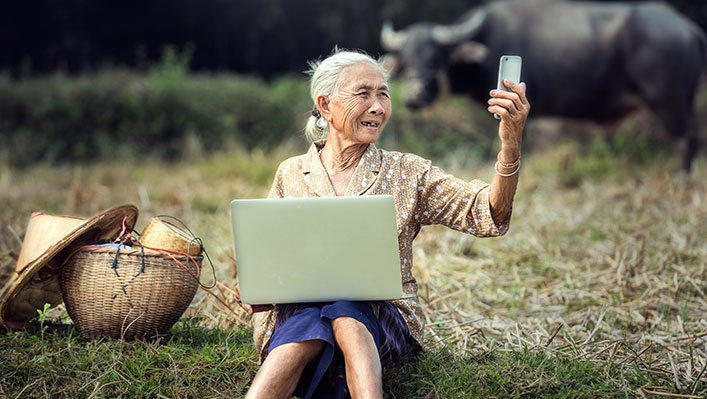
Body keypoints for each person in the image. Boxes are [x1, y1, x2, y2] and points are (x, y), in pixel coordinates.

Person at [234, 48, 530, 399]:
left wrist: (510, 145)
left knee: (346, 313)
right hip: (300, 316)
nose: (378, 107)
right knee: (307, 322)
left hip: (381, 317)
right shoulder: (291, 172)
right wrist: (259, 293)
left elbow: (487, 213)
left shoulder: (408, 171)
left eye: (383, 94)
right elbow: (270, 259)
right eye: (363, 94)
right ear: (325, 106)